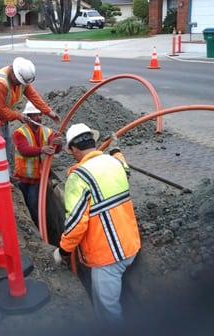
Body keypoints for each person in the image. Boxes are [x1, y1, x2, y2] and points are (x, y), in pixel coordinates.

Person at [53, 123, 140, 324]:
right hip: (130, 246)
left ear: (74, 149)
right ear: (93, 141)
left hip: (107, 257)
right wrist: (116, 150)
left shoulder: (79, 177)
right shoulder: (114, 163)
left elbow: (76, 224)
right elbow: (124, 168)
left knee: (108, 313)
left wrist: (63, 251)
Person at [0, 57, 60, 164]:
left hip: (2, 119)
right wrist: (18, 116)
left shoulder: (20, 80)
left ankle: (6, 174)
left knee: (6, 145)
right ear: (14, 74)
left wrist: (48, 112)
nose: (20, 85)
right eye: (19, 82)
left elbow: (33, 96)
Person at [12, 101, 62, 227]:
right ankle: (33, 228)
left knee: (35, 207)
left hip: (38, 179)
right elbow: (24, 150)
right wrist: (41, 150)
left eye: (40, 114)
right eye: (35, 115)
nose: (38, 117)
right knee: (27, 207)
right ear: (28, 117)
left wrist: (58, 143)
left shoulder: (47, 132)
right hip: (22, 178)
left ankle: (39, 227)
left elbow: (54, 149)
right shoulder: (20, 133)